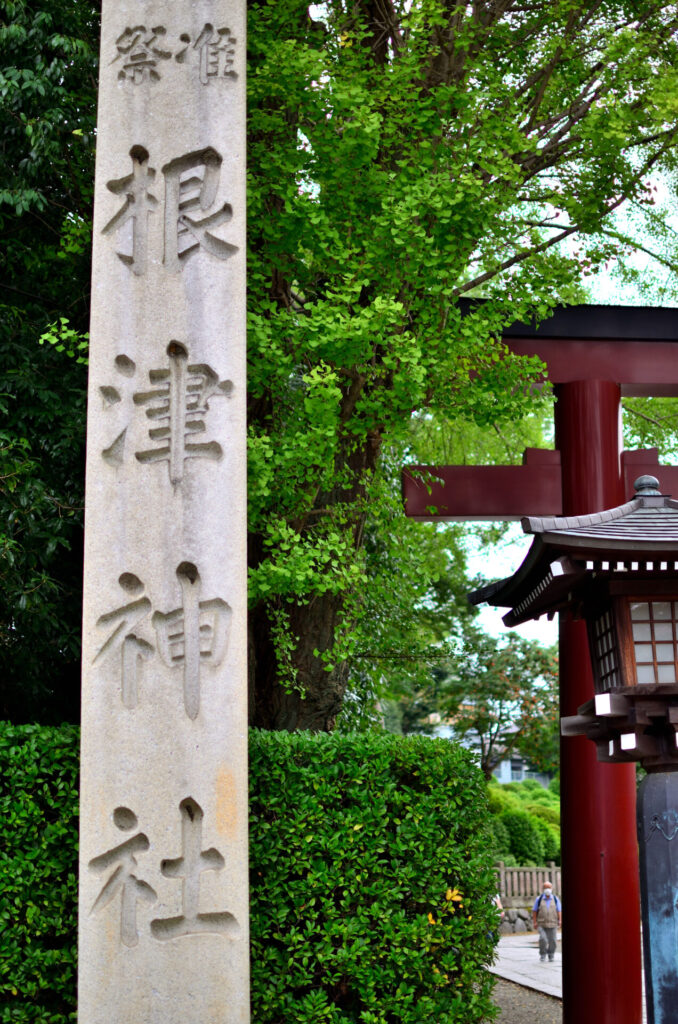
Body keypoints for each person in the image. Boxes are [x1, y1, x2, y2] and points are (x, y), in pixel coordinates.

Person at [532, 880, 561, 962]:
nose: (547, 889)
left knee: (553, 940)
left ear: (552, 888)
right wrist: (534, 922)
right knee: (543, 939)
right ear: (543, 889)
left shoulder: (555, 899)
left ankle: (551, 954)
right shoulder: (539, 899)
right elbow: (534, 911)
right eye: (545, 887)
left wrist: (560, 920)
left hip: (553, 923)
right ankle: (543, 954)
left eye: (549, 887)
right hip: (542, 923)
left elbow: (559, 910)